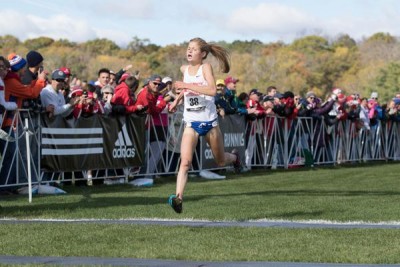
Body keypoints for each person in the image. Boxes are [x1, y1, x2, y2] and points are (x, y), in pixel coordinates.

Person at [167, 37, 242, 213]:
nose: (189, 51)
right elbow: (187, 91)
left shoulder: (205, 68)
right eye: (188, 48)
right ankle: (178, 198)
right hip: (191, 122)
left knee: (221, 161)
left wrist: (186, 85)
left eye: (194, 49)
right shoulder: (184, 69)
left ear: (203, 54)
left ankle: (235, 158)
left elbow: (211, 90)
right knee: (185, 162)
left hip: (209, 122)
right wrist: (177, 100)